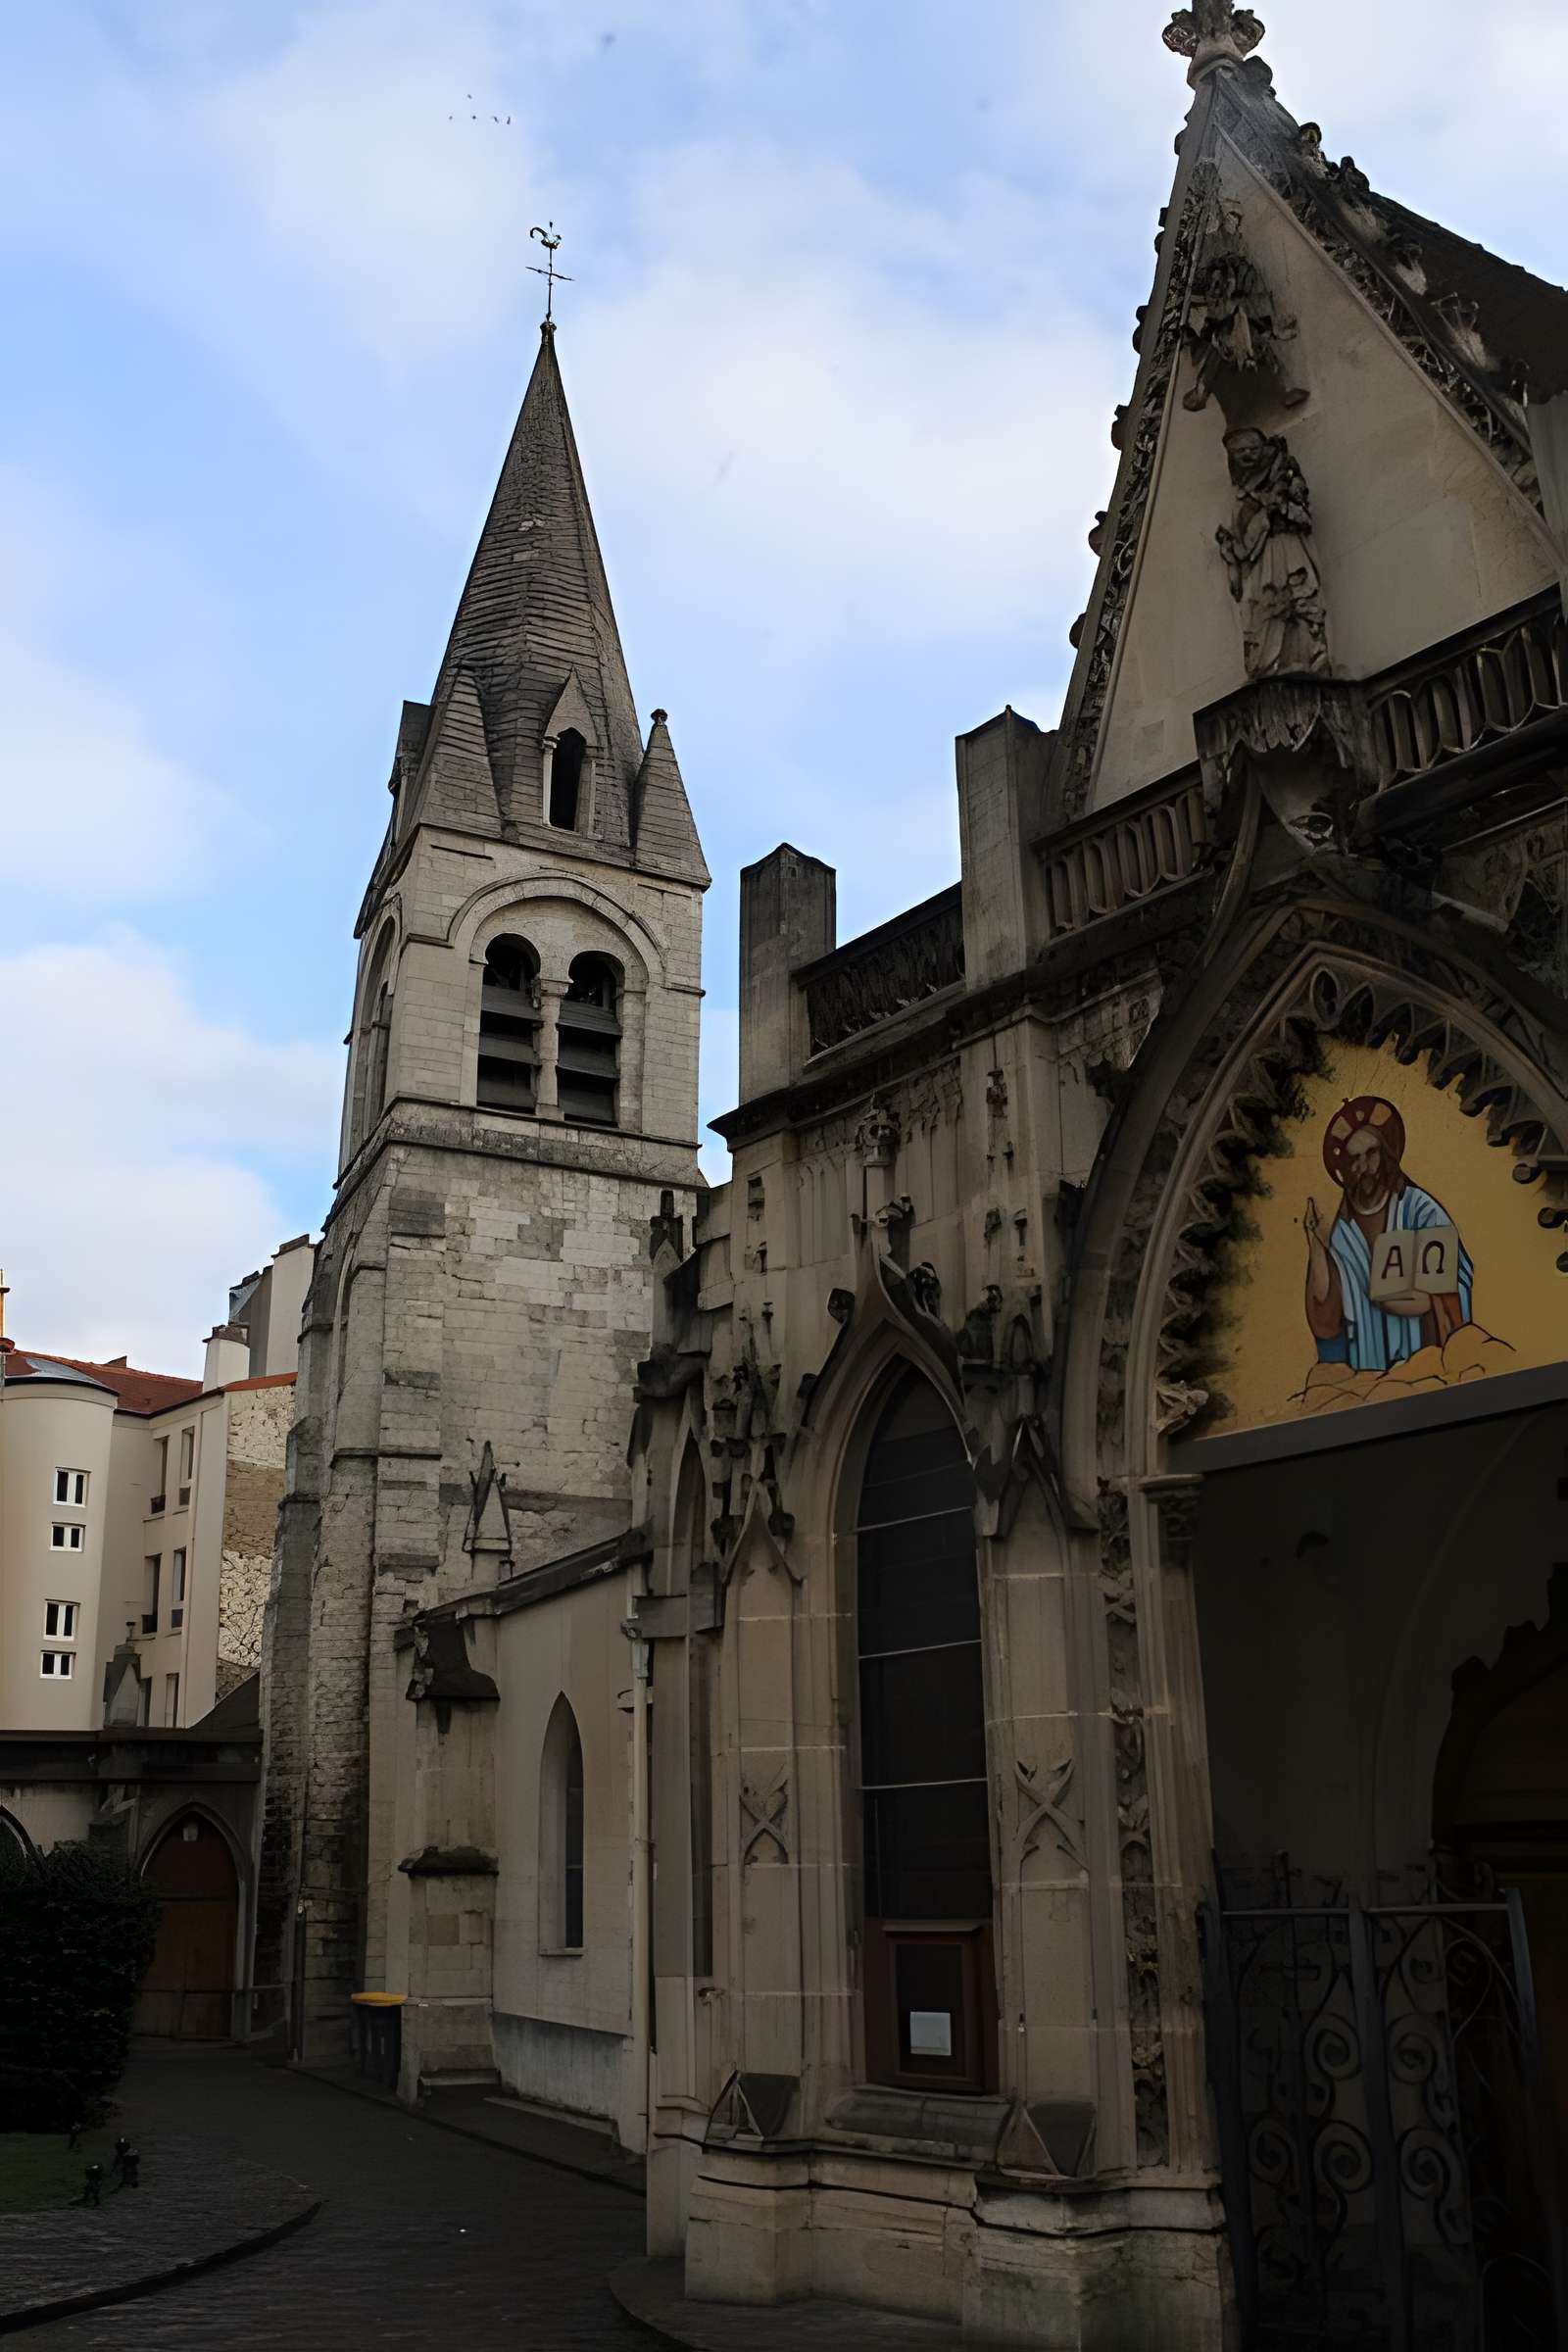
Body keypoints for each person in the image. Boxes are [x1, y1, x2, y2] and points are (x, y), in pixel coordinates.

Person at [1303, 1096, 1471, 1372]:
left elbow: (1447, 1295)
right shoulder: (1342, 1233)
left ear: (1386, 1154)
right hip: (1371, 1372)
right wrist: (1316, 1243)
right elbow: (1326, 1320)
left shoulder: (1419, 1211)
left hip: (1426, 1364)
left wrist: (1400, 1299)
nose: (1365, 1165)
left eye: (1371, 1153)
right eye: (1354, 1158)